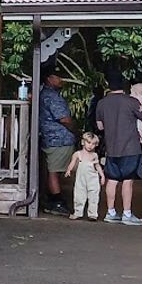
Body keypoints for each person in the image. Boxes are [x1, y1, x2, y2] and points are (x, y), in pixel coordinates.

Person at [92, 70, 142, 225]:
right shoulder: (131, 102)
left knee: (112, 180)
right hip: (130, 148)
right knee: (128, 180)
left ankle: (110, 212)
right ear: (124, 86)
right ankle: (127, 214)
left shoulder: (101, 103)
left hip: (111, 147)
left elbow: (100, 126)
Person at [38, 64, 76, 214]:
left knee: (55, 170)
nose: (61, 80)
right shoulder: (51, 96)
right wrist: (76, 130)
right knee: (54, 170)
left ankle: (55, 198)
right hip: (58, 139)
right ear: (49, 79)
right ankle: (57, 201)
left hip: (54, 138)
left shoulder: (46, 94)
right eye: (57, 77)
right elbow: (64, 119)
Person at [65, 131, 103, 220]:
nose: (90, 145)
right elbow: (72, 162)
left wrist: (102, 175)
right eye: (88, 142)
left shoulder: (94, 155)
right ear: (83, 142)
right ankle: (78, 212)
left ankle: (93, 214)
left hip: (93, 178)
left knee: (94, 195)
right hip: (81, 178)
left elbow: (97, 166)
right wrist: (69, 169)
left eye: (93, 144)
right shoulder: (78, 154)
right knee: (79, 194)